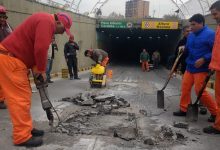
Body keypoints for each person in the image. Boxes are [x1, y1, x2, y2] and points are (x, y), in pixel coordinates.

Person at [0, 12, 73, 147]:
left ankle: (26, 129)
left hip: (15, 60)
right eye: (63, 29)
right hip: (11, 60)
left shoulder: (43, 20)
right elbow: (40, 48)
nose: (62, 33)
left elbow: (34, 47)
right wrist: (41, 70)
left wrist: (35, 67)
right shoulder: (47, 22)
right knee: (19, 100)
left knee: (25, 97)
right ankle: (22, 137)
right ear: (58, 22)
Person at [173, 14, 218, 123]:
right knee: (185, 87)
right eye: (190, 24)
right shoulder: (191, 35)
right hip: (190, 66)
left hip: (201, 68)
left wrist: (204, 59)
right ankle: (184, 108)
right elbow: (187, 49)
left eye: (193, 24)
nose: (191, 27)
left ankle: (216, 113)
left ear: (201, 23)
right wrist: (179, 57)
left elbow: (215, 51)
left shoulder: (210, 34)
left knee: (200, 91)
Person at [203, 0, 220, 134]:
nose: (213, 17)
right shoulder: (219, 27)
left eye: (215, 14)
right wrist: (213, 65)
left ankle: (218, 126)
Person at [0, 5, 12, 109]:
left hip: (6, 56)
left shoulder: (8, 27)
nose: (3, 19)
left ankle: (1, 99)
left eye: (4, 17)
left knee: (4, 79)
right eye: (1, 17)